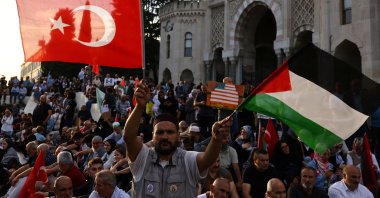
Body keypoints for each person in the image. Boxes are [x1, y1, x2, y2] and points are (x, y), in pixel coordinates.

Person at [123, 82, 231, 197]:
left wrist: (215, 139)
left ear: (178, 136)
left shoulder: (187, 160)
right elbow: (128, 137)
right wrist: (139, 107)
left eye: (170, 132)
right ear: (152, 135)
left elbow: (207, 159)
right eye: (160, 132)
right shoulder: (142, 158)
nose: (165, 136)